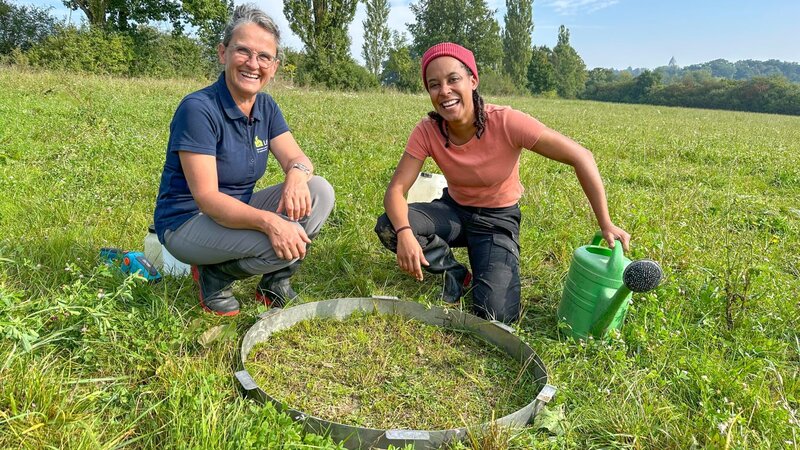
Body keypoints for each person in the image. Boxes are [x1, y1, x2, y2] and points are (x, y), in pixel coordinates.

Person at [374, 42, 630, 323]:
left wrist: (606, 223)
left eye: (453, 79)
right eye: (434, 84)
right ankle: (455, 274)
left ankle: (485, 266)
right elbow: (396, 191)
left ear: (473, 80)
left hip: (497, 221)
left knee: (496, 315)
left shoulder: (507, 122)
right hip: (454, 212)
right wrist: (407, 233)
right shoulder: (428, 130)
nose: (444, 91)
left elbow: (581, 157)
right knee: (391, 226)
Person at [154, 4, 334, 316]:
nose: (253, 64)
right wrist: (271, 223)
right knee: (282, 241)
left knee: (319, 191)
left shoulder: (265, 106)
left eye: (264, 56)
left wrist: (295, 174)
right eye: (243, 51)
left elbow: (298, 158)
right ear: (223, 53)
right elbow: (208, 199)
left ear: (274, 66)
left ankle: (274, 284)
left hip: (237, 211)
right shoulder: (199, 109)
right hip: (188, 222)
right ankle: (215, 276)